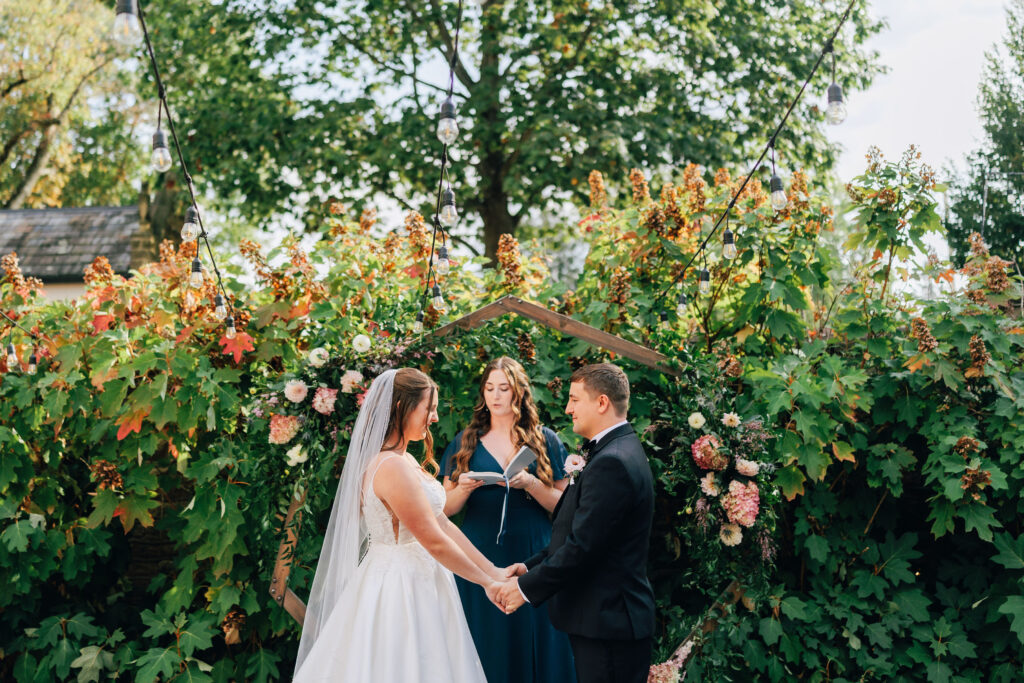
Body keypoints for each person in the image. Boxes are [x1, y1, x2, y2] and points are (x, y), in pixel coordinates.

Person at [294, 368, 507, 682]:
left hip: (423, 578)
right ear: (400, 408)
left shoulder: (404, 460)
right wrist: (488, 585)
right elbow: (433, 540)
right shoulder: (391, 466)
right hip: (400, 586)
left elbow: (442, 525)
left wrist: (493, 571)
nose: (434, 418)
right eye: (429, 408)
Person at [496, 363, 656, 683]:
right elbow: (575, 529)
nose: (568, 408)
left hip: (610, 624)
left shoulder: (612, 461)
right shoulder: (612, 451)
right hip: (604, 620)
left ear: (601, 403)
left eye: (574, 399)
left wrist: (525, 590)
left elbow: (584, 547)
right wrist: (530, 566)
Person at [440, 356, 576, 683]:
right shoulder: (465, 442)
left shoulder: (545, 439)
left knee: (536, 638)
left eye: (504, 388)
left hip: (533, 552)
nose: (496, 396)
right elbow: (444, 509)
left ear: (519, 392)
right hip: (479, 553)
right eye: (489, 388)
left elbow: (567, 507)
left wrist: (532, 484)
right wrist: (464, 488)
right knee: (485, 639)